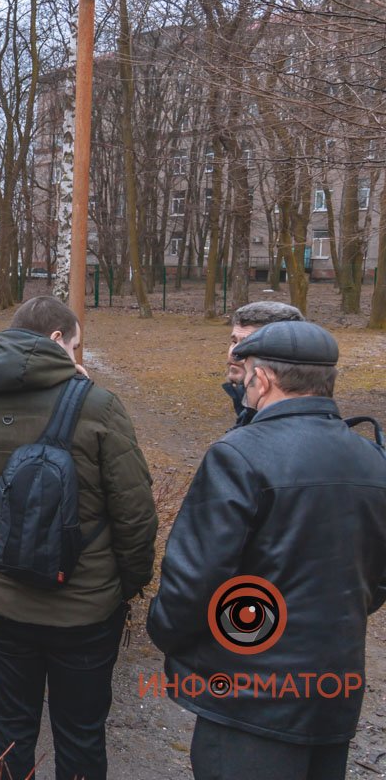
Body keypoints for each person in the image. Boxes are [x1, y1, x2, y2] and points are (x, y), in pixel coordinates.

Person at [148, 321, 386, 780]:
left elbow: (194, 580)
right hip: (333, 696)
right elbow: (376, 578)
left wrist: (167, 634)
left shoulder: (238, 455)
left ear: (263, 379)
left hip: (247, 703)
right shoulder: (373, 460)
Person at [0, 296, 157, 780]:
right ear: (57, 341)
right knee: (81, 735)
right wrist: (127, 584)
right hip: (83, 608)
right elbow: (134, 513)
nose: (81, 356)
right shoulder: (98, 405)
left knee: (6, 731)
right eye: (78, 345)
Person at [223, 301, 304, 428]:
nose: (234, 353)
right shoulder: (249, 406)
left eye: (247, 344)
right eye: (234, 341)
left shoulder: (291, 425)